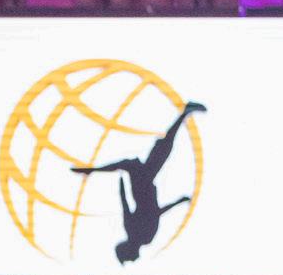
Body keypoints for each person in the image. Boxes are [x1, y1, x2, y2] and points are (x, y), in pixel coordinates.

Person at [71, 101, 206, 263]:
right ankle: (184, 113)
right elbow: (153, 212)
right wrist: (178, 202)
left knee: (143, 158)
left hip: (143, 187)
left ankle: (92, 170)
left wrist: (178, 202)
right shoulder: (142, 236)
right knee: (157, 151)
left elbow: (141, 209)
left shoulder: (141, 236)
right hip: (144, 187)